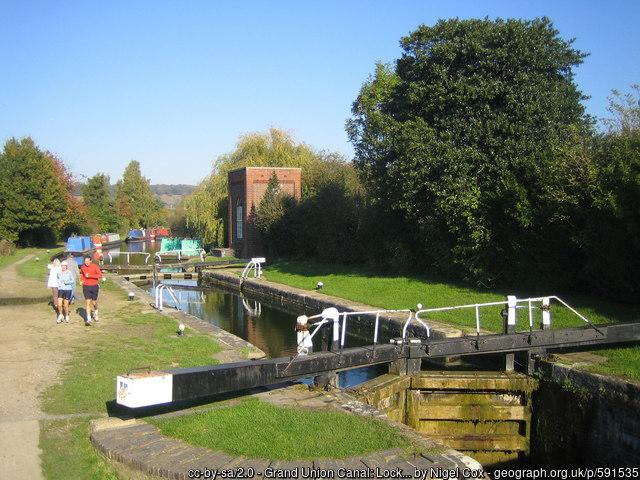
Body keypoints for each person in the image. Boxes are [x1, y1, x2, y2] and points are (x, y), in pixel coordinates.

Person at [80, 255, 103, 325]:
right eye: (85, 261)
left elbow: (100, 275)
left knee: (94, 302)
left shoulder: (95, 266)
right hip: (86, 286)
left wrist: (90, 275)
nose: (86, 262)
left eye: (87, 261)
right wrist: (81, 280)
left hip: (94, 286)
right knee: (87, 302)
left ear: (91, 261)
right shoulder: (82, 267)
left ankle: (96, 312)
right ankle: (88, 319)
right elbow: (83, 275)